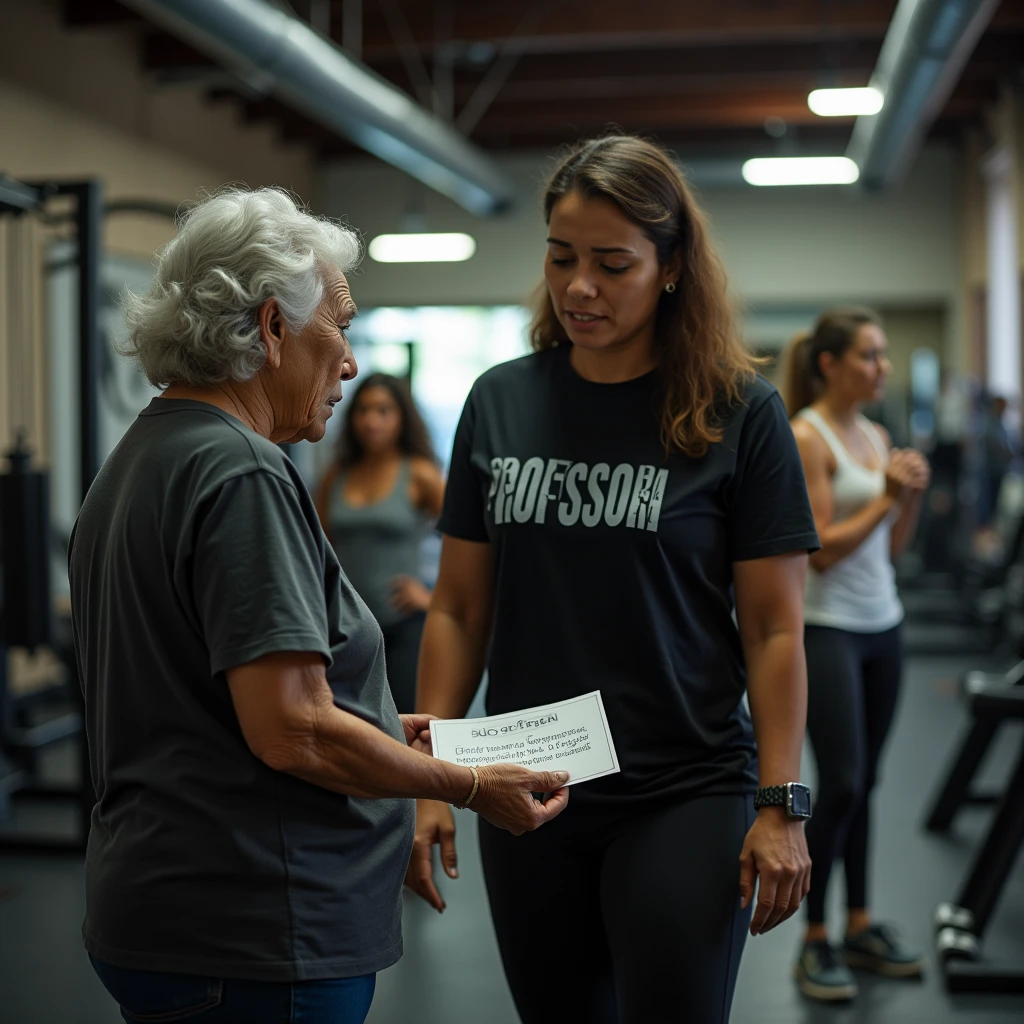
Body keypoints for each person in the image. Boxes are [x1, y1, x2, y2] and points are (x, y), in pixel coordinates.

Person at [68, 187, 569, 1024]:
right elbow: (293, 729)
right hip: (257, 937)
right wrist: (468, 783)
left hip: (160, 911)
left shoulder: (143, 457)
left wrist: (375, 724)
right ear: (270, 329)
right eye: (339, 326)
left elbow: (216, 701)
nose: (347, 363)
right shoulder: (243, 472)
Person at [405, 135, 820, 1023]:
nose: (579, 286)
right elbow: (460, 606)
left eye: (612, 263)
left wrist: (782, 803)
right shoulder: (500, 400)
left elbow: (775, 630)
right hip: (524, 784)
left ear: (670, 268)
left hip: (682, 783)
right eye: (561, 258)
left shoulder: (738, 413)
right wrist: (432, 779)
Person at [784, 308, 930, 1002]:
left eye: (883, 355)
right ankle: (815, 938)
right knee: (839, 779)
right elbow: (819, 552)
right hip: (828, 628)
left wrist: (910, 502)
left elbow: (890, 549)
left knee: (866, 779)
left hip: (884, 623)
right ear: (830, 364)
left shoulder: (874, 435)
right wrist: (886, 501)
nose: (883, 367)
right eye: (870, 355)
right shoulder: (807, 436)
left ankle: (861, 922)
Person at [315, 373, 443, 713]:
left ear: (402, 417)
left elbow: (471, 543)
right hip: (346, 627)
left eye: (384, 410)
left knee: (405, 727)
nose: (372, 420)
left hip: (403, 626)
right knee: (351, 727)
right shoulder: (337, 474)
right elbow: (317, 547)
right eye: (364, 410)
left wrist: (431, 597)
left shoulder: (420, 474)